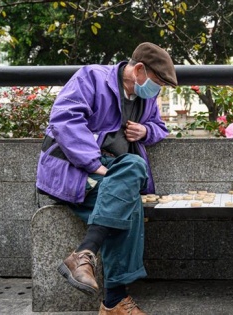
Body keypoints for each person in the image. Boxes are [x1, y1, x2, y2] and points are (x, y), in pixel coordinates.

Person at [36, 42, 177, 315]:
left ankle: (85, 254)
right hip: (76, 170)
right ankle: (114, 301)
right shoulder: (92, 76)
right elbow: (64, 120)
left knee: (131, 174)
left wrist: (146, 131)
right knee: (129, 196)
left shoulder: (146, 98)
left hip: (116, 172)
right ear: (138, 70)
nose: (157, 90)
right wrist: (97, 166)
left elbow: (160, 127)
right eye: (157, 81)